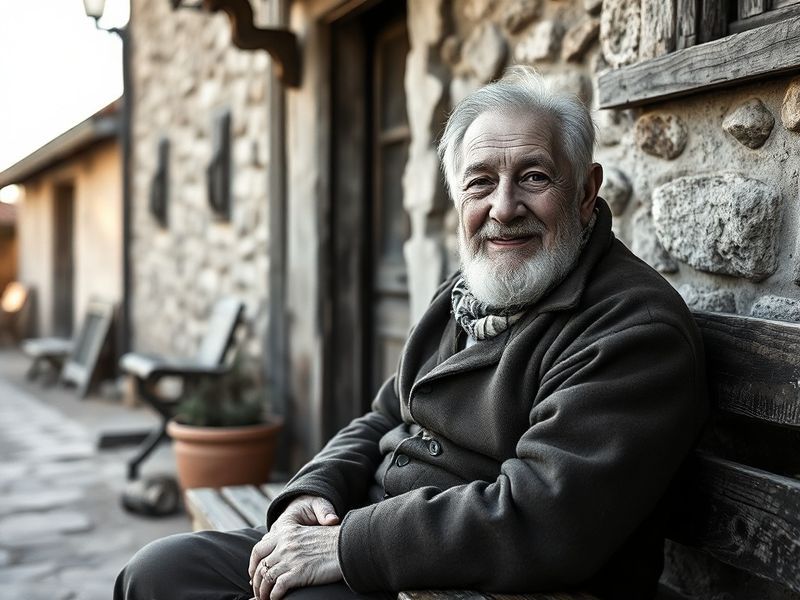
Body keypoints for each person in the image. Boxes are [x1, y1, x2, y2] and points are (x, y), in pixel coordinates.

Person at [114, 67, 707, 600]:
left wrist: (346, 547)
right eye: (480, 183)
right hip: (384, 543)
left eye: (533, 177)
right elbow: (381, 417)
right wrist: (311, 493)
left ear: (584, 193)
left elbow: (543, 518)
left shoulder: (632, 329)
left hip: (484, 583)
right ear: (457, 199)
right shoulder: (467, 292)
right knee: (159, 572)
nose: (503, 207)